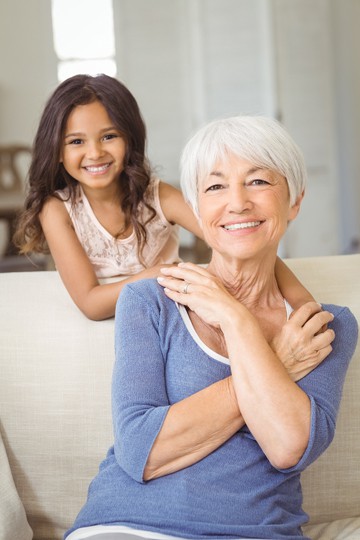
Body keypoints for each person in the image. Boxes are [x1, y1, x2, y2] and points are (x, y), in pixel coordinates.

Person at [64, 115, 358, 540]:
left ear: (294, 201)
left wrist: (236, 320)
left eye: (258, 181)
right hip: (127, 525)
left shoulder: (321, 328)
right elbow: (141, 452)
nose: (237, 203)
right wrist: (277, 363)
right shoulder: (150, 301)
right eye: (216, 186)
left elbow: (288, 446)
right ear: (198, 208)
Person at [14, 74, 313, 321]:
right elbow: (91, 304)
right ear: (57, 151)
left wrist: (302, 303)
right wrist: (159, 274)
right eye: (77, 141)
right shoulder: (57, 210)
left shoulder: (159, 197)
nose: (95, 153)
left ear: (130, 139)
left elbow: (245, 241)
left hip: (175, 316)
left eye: (109, 136)